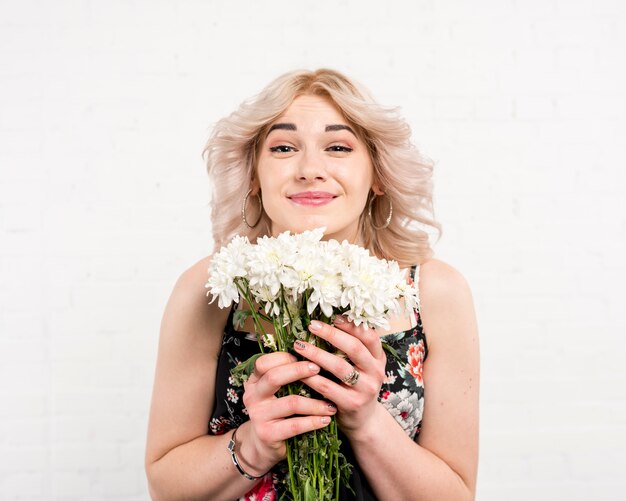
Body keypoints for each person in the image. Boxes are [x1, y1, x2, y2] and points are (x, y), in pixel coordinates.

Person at [145, 68, 479, 501]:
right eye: (283, 148)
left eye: (338, 147)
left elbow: (457, 495)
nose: (310, 170)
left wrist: (366, 422)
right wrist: (254, 444)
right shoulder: (210, 289)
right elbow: (166, 488)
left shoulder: (435, 292)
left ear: (376, 174)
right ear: (253, 175)